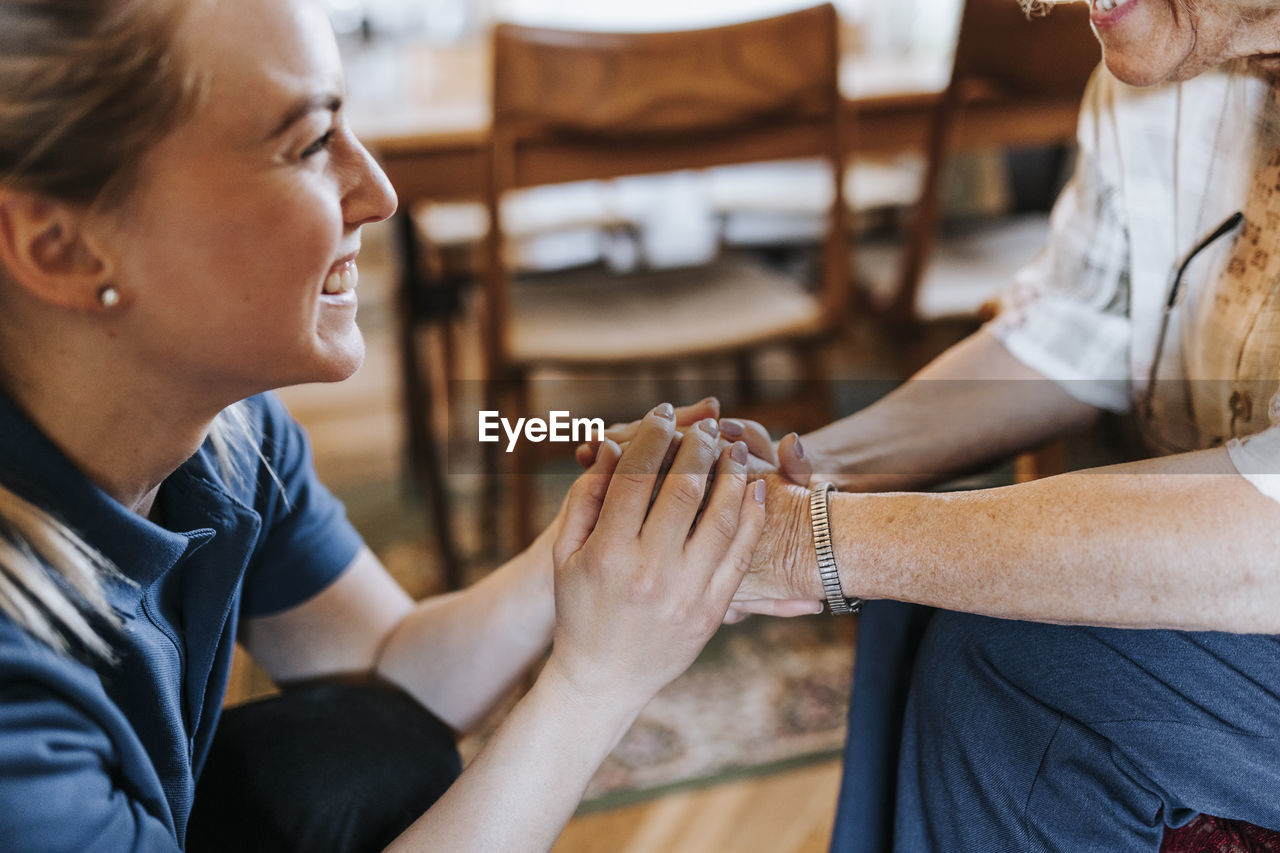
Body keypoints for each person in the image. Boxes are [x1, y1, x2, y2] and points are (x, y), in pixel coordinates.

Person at [0, 1, 770, 851]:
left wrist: (593, 532)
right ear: (59, 245)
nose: (379, 192)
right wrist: (597, 683)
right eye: (305, 144)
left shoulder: (222, 432)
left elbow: (388, 672)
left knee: (365, 755)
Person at [585, 0, 1280, 849]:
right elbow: (1078, 328)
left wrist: (821, 541)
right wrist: (811, 471)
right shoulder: (1156, 68)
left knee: (1007, 664)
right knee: (917, 596)